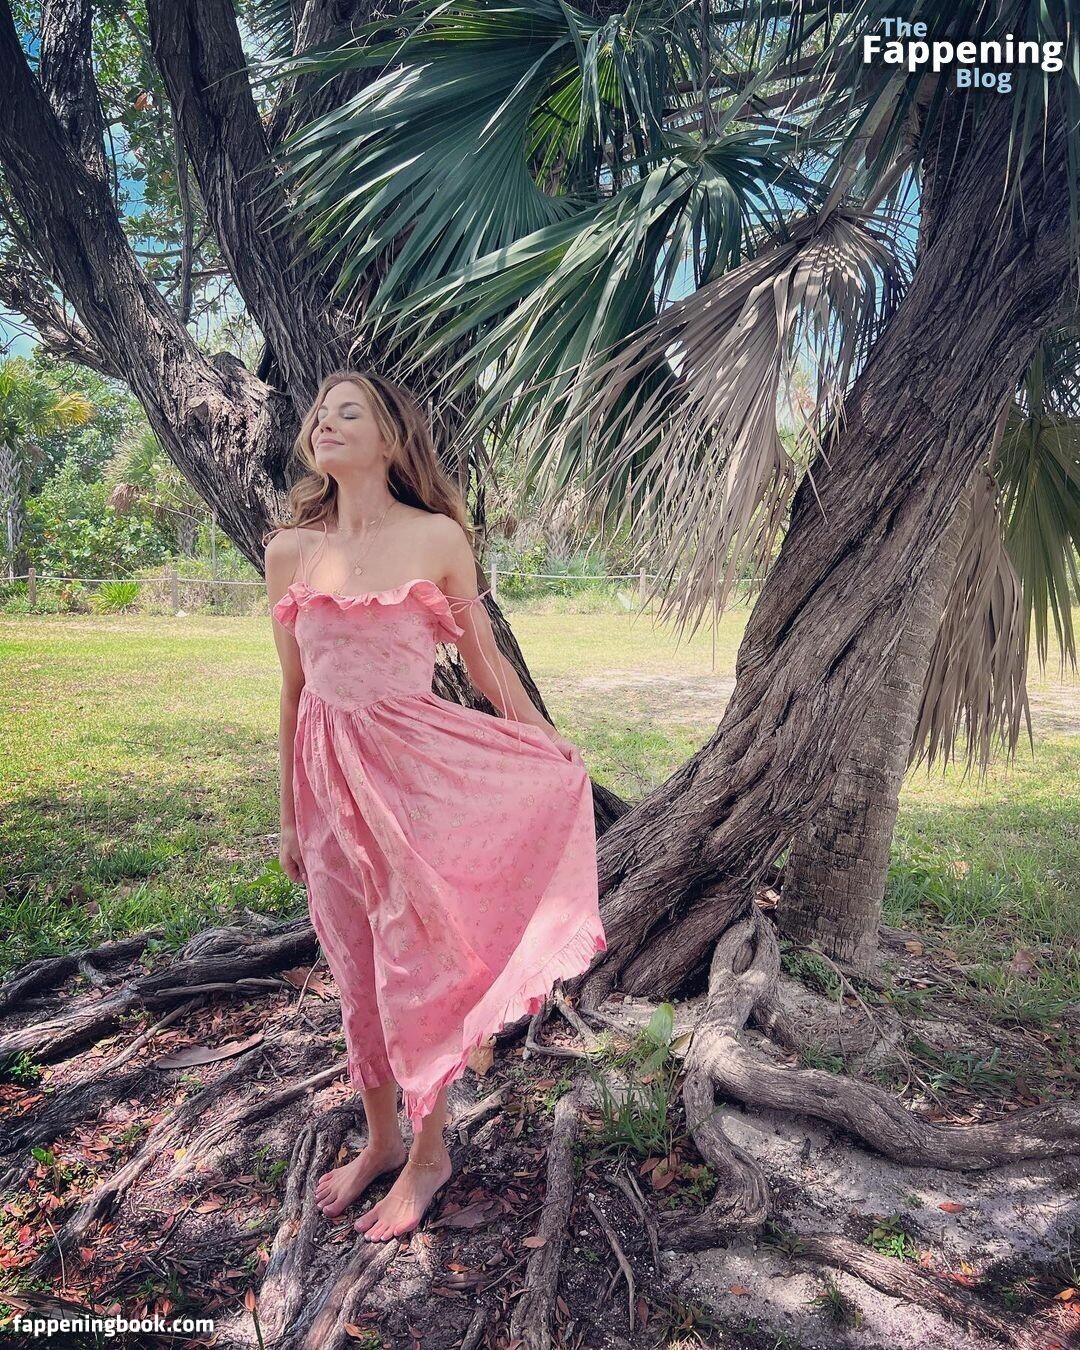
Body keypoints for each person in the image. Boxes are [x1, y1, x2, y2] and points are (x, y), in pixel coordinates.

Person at [263, 370, 607, 1243]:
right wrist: (288, 813)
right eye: (320, 413)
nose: (325, 423)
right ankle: (381, 1139)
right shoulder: (290, 553)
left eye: (349, 412)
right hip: (327, 786)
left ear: (389, 439)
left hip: (416, 778)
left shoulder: (437, 538)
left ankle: (427, 1154)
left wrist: (544, 739)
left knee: (412, 965)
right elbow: (294, 692)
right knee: (354, 964)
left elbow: (484, 664)